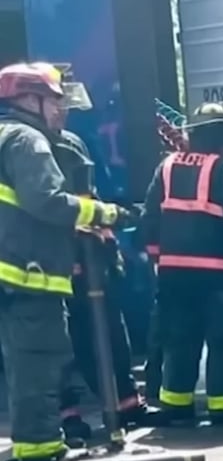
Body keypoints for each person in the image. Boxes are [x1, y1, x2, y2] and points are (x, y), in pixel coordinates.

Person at [0, 62, 128, 461]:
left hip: (10, 272)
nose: (61, 110)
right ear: (28, 99)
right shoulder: (28, 141)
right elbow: (48, 200)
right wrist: (104, 213)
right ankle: (40, 448)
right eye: (54, 101)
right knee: (39, 358)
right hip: (28, 273)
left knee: (22, 361)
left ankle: (33, 443)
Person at [141, 102, 223, 426]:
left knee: (179, 339)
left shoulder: (167, 167)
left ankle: (177, 407)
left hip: (173, 275)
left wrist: (160, 259)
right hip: (219, 276)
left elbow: (150, 218)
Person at [56, 127, 154, 440]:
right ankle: (66, 415)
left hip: (92, 264)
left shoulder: (72, 143)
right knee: (61, 344)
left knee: (111, 333)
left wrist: (106, 245)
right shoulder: (25, 149)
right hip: (51, 267)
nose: (61, 111)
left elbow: (89, 200)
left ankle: (126, 403)